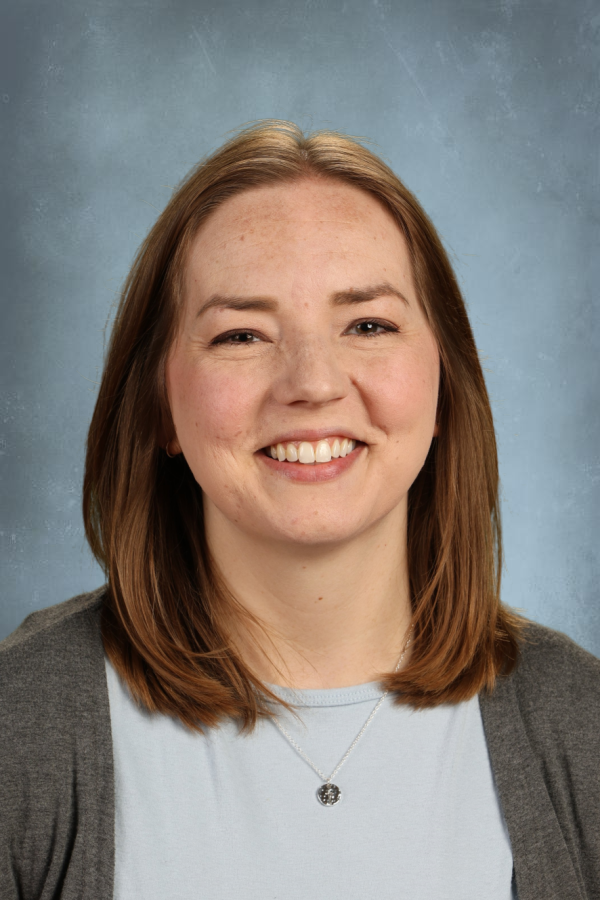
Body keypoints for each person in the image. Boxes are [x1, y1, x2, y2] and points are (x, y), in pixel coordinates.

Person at [1, 120, 598, 900]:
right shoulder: (20, 725)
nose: (312, 383)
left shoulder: (580, 726)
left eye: (368, 325)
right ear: (157, 403)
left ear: (446, 382)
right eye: (242, 335)